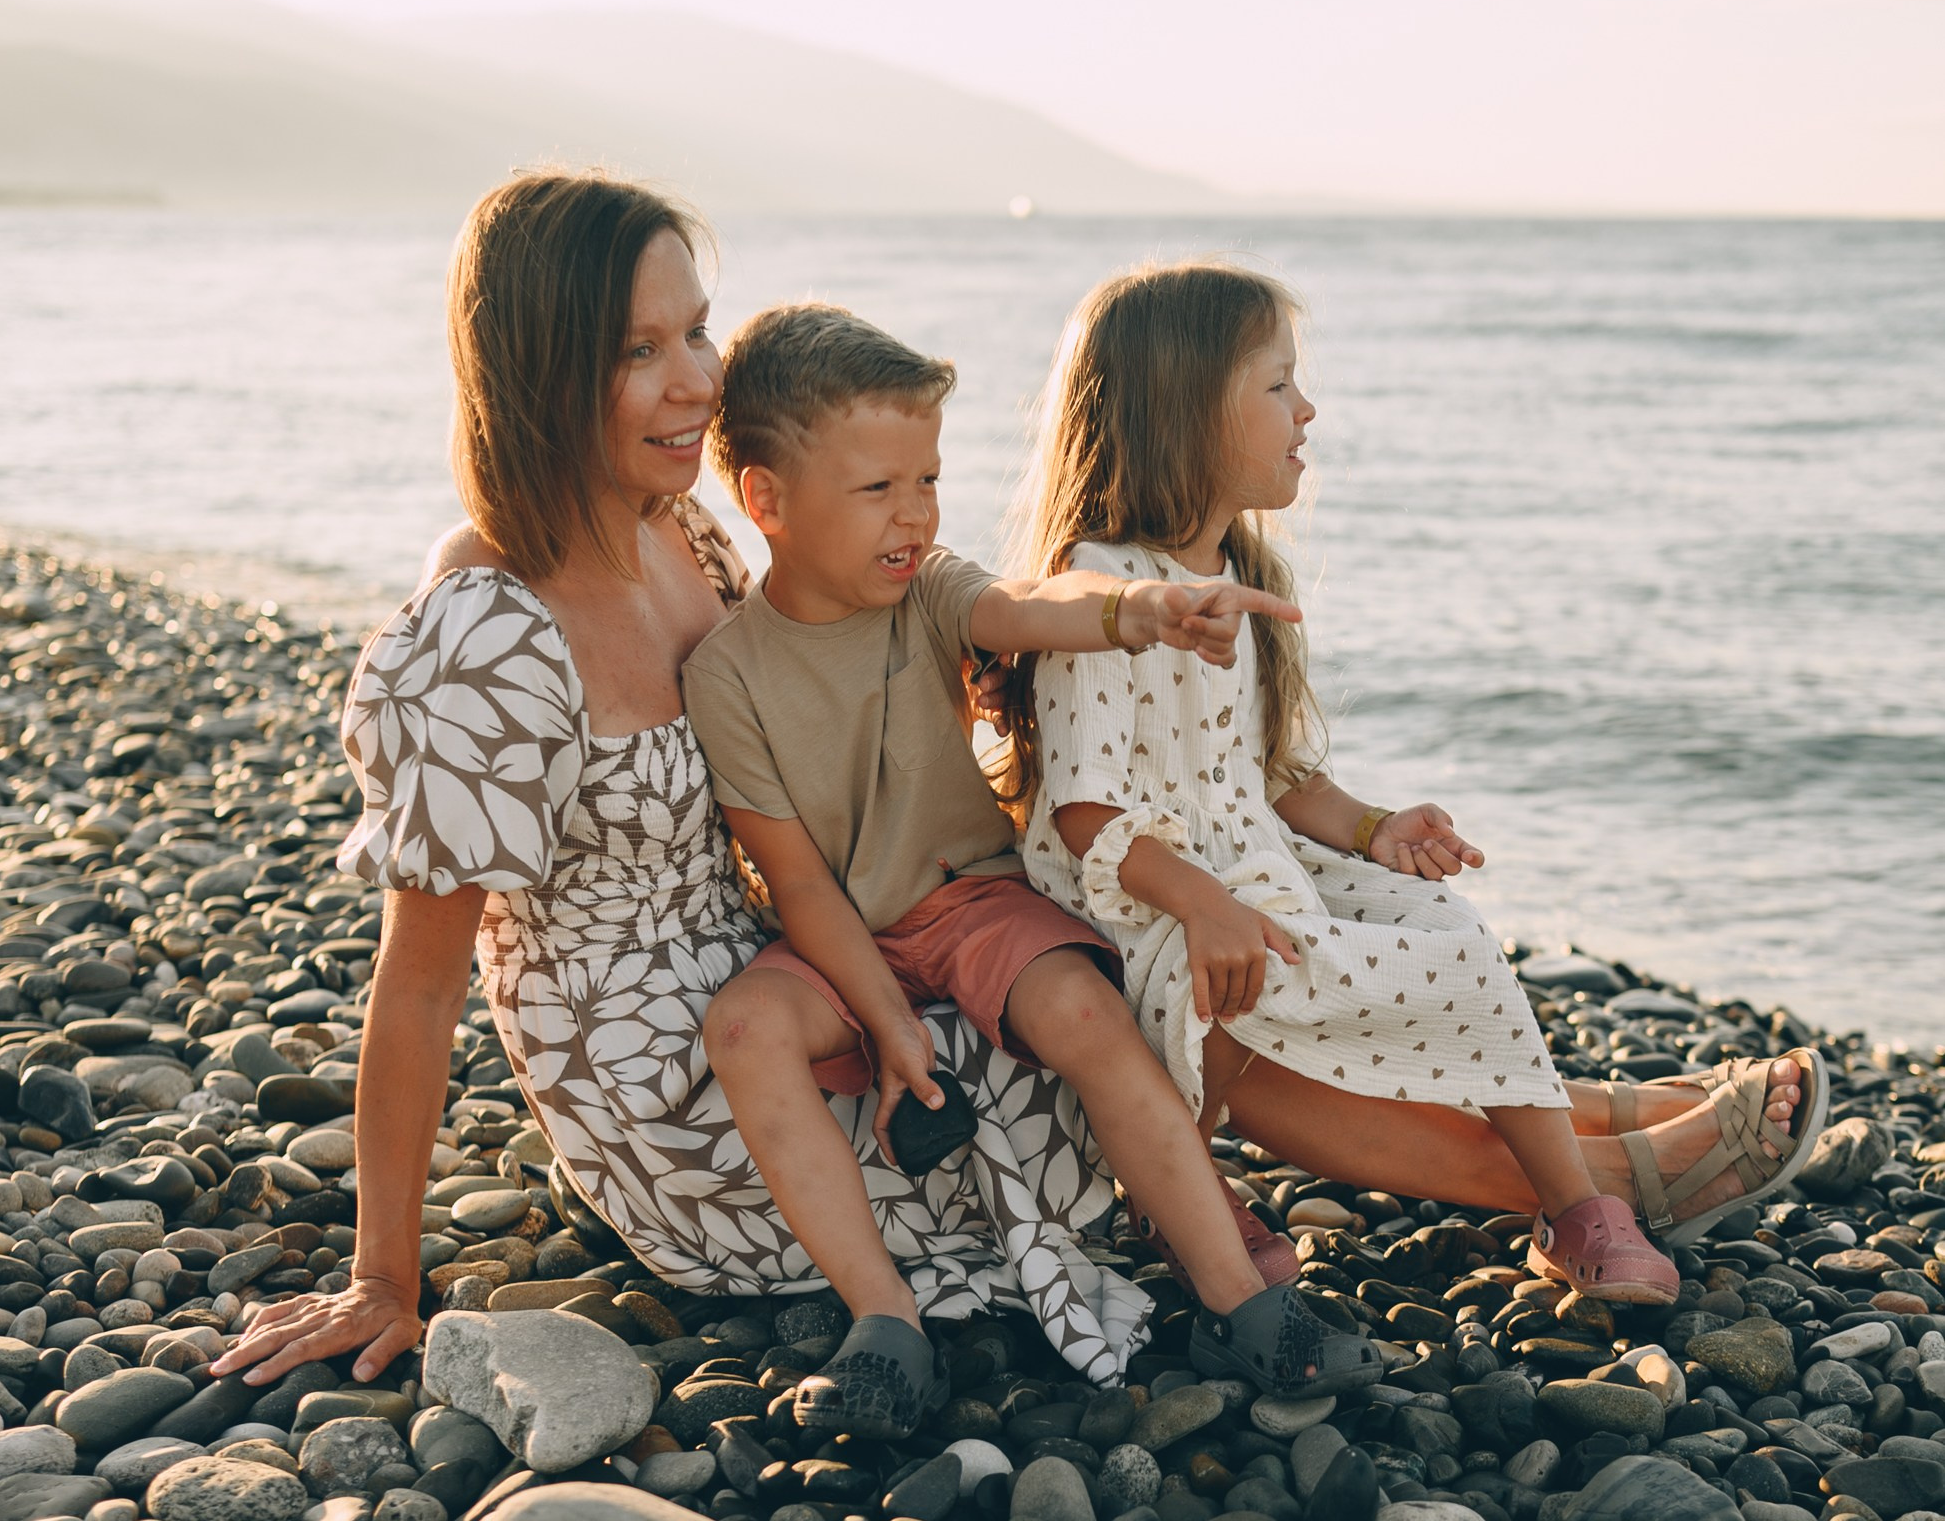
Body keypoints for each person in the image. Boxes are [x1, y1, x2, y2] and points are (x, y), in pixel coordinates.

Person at [213, 171, 1162, 1394]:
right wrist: (382, 1278)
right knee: (1069, 1072)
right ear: (539, 372)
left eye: (699, 331)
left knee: (1092, 988)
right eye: (639, 350)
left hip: (776, 961)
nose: (698, 382)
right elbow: (422, 974)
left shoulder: (683, 531)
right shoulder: (489, 627)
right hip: (663, 1087)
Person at [1005, 262, 1829, 1305]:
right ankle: (1188, 1190)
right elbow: (1087, 809)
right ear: (1182, 409)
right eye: (1276, 385)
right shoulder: (1102, 592)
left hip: (1251, 869)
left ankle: (1574, 1205)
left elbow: (1267, 774)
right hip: (1148, 901)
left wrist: (1375, 827)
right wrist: (1206, 903)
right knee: (1224, 985)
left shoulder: (1241, 571)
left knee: (1450, 930)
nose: (1307, 409)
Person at [685, 303, 1384, 1436]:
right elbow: (800, 885)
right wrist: (884, 1021)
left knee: (1083, 1007)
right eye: (879, 490)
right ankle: (885, 1321)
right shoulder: (727, 676)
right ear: (766, 500)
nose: (915, 514)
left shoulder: (933, 587)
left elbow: (1027, 606)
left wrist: (1140, 608)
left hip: (974, 901)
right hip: (840, 935)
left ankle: (1235, 1299)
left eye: (930, 479)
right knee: (743, 1029)